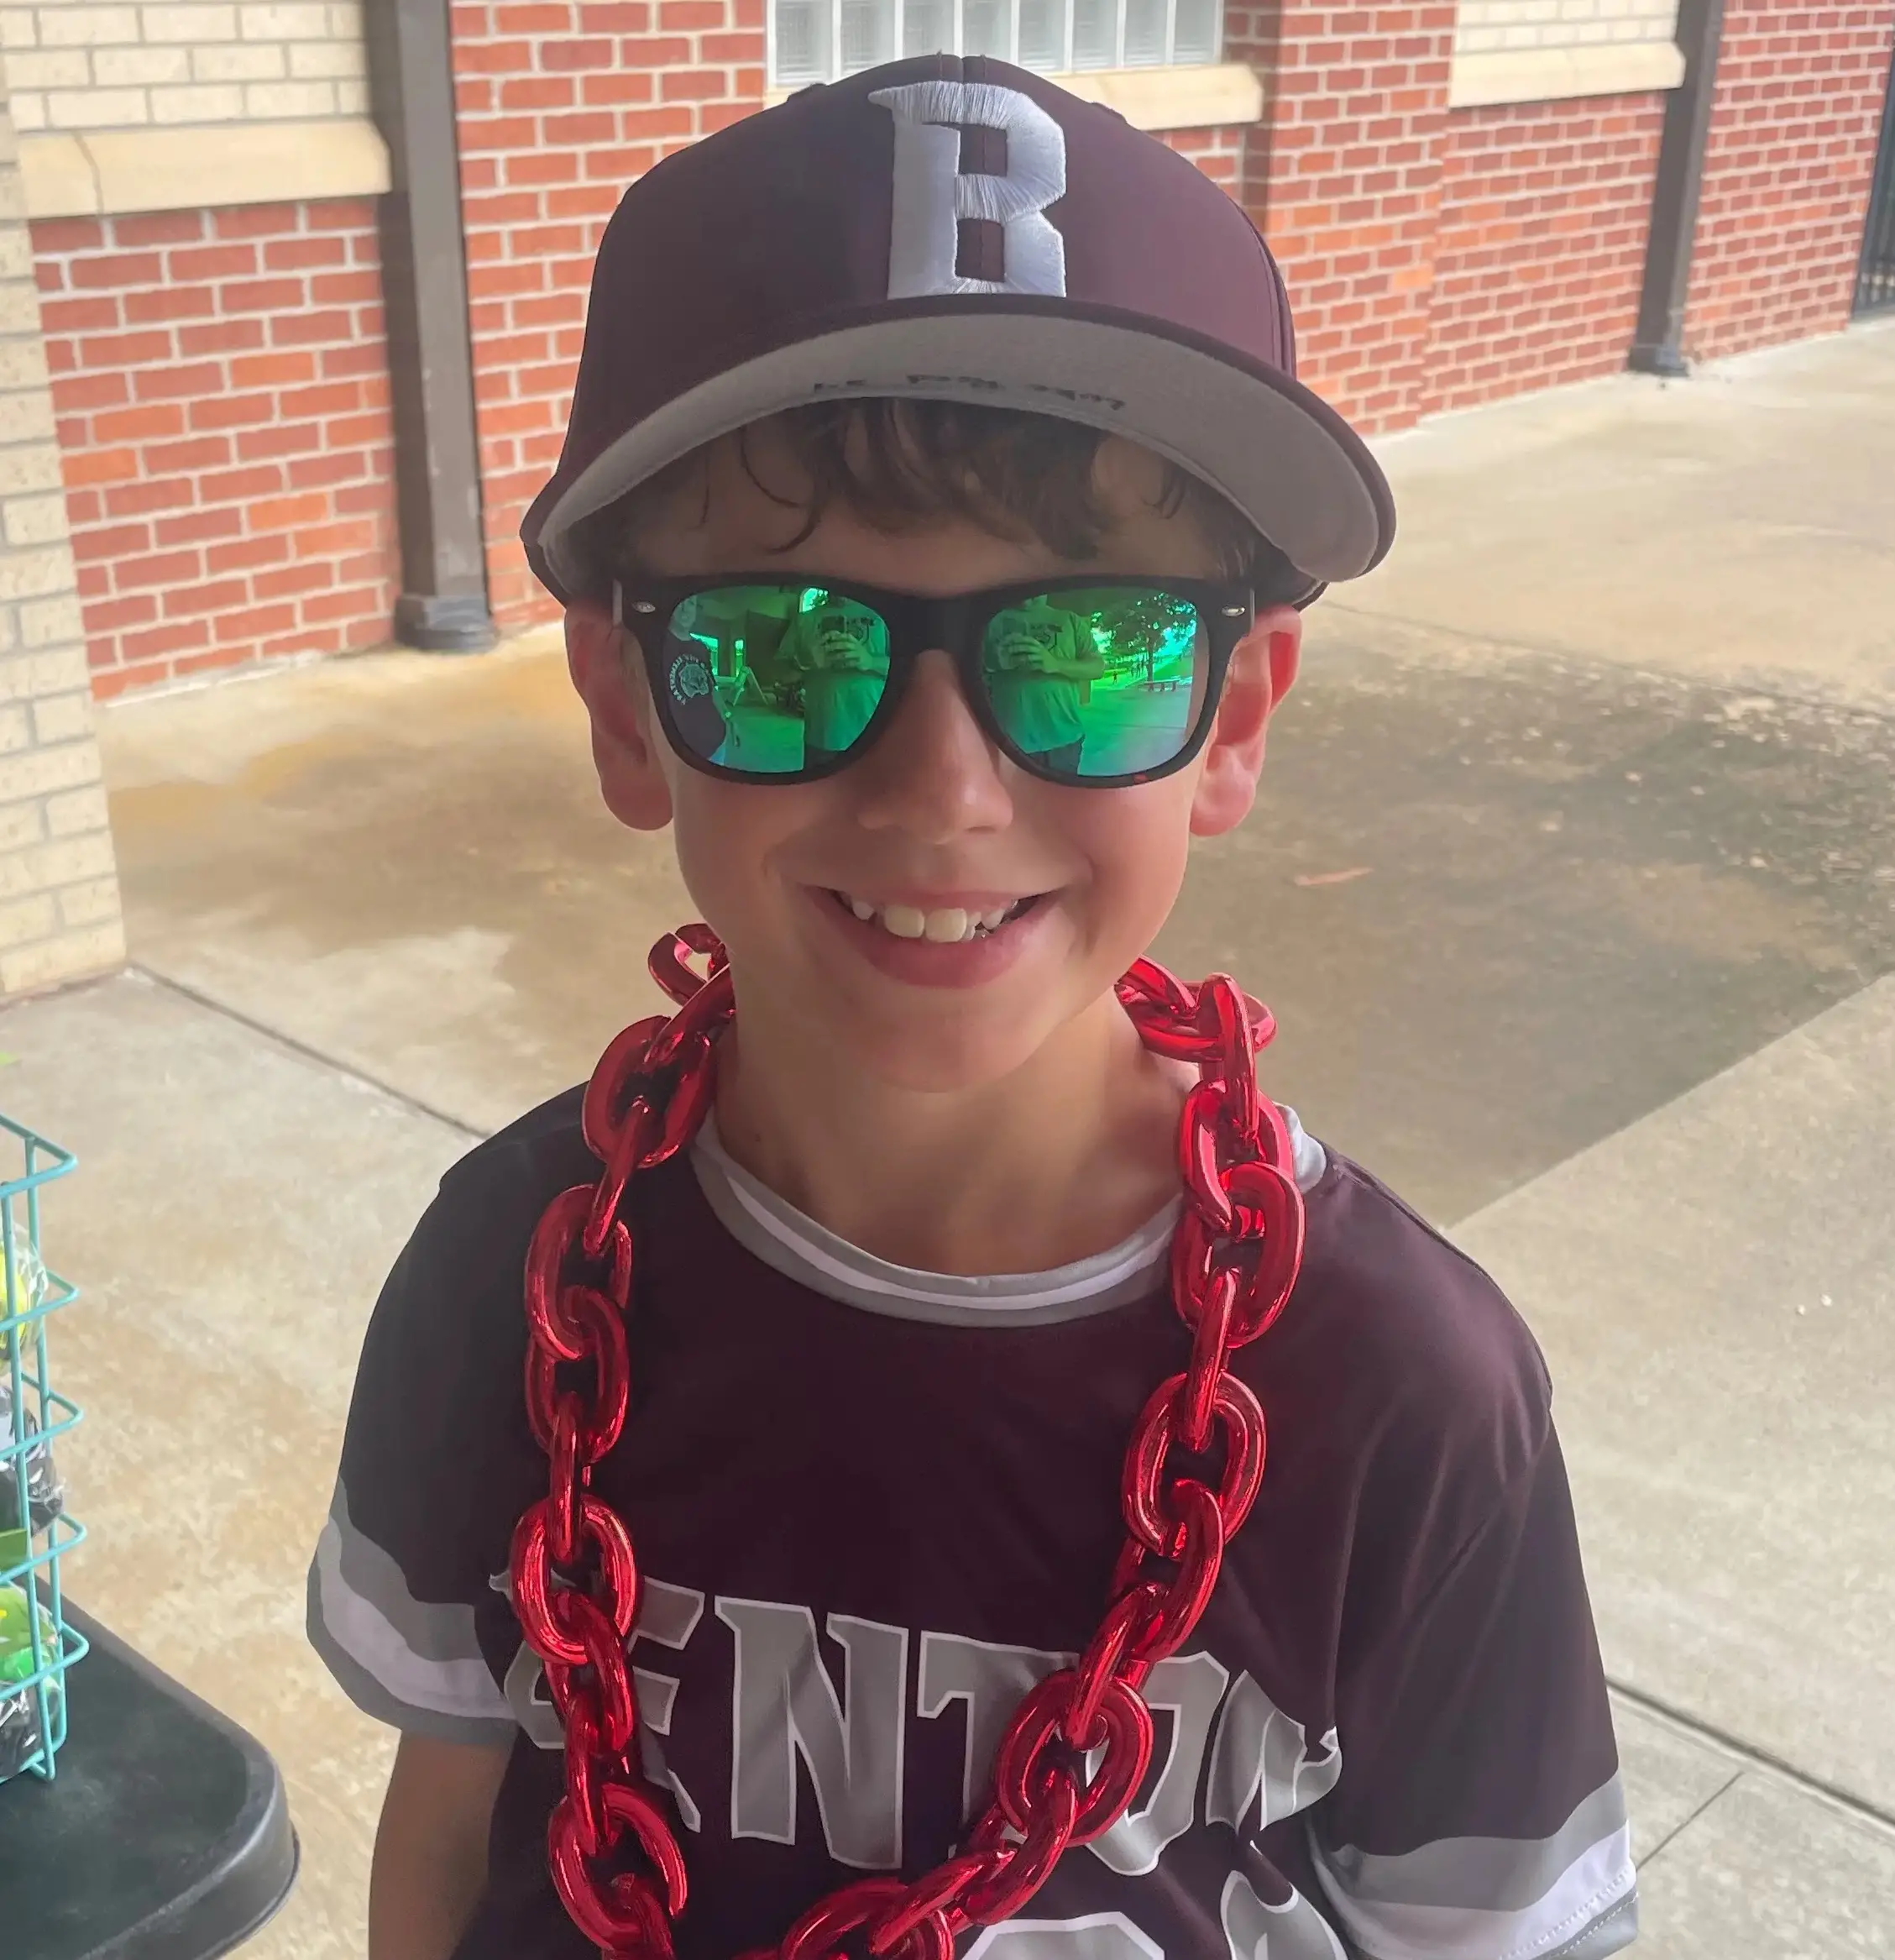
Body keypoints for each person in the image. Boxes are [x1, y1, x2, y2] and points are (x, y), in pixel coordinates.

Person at [307, 55, 1638, 1960]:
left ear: (1234, 717)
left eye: (1090, 646)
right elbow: (447, 1832)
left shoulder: (1407, 1404)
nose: (943, 794)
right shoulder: (503, 1284)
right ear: (624, 707)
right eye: (786, 647)